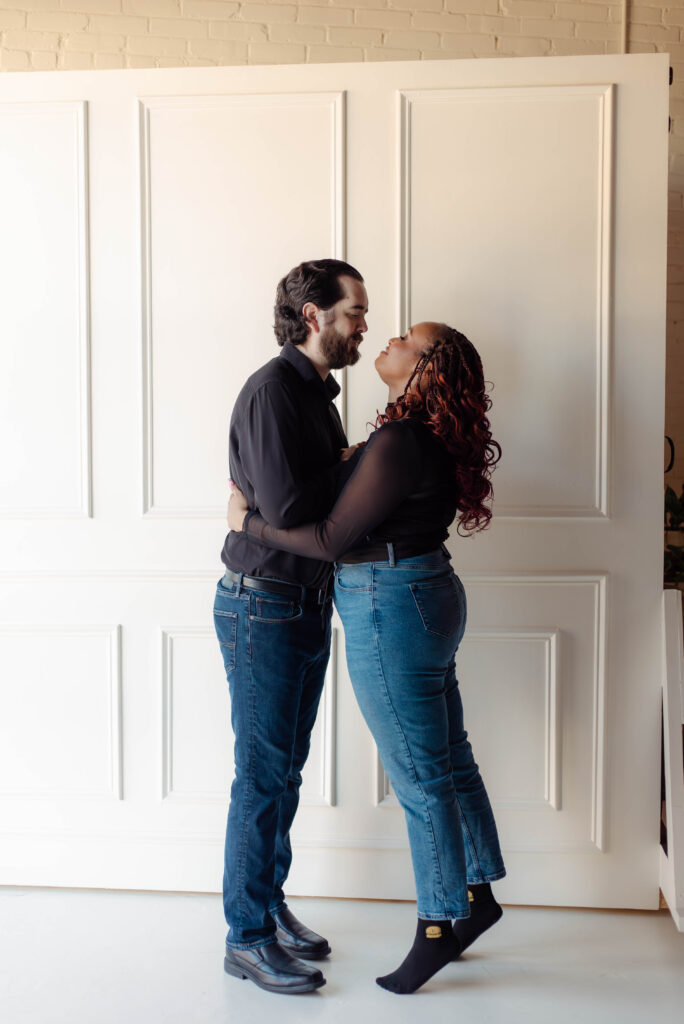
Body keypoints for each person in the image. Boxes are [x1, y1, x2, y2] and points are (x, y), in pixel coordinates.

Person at [228, 321, 506, 995]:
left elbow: (327, 538)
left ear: (429, 365)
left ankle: (438, 925)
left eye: (406, 337)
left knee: (419, 775)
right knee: (450, 756)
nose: (387, 338)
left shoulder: (400, 440)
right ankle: (476, 893)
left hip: (389, 604)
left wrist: (246, 523)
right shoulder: (413, 438)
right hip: (425, 594)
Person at [214, 259, 369, 995]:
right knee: (261, 778)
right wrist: (353, 471)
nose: (362, 325)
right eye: (353, 312)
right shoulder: (274, 391)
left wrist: (345, 466)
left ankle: (269, 910)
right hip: (263, 605)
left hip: (301, 602)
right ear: (313, 315)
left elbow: (312, 502)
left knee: (285, 773)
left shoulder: (316, 395)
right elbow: (291, 512)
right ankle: (244, 938)